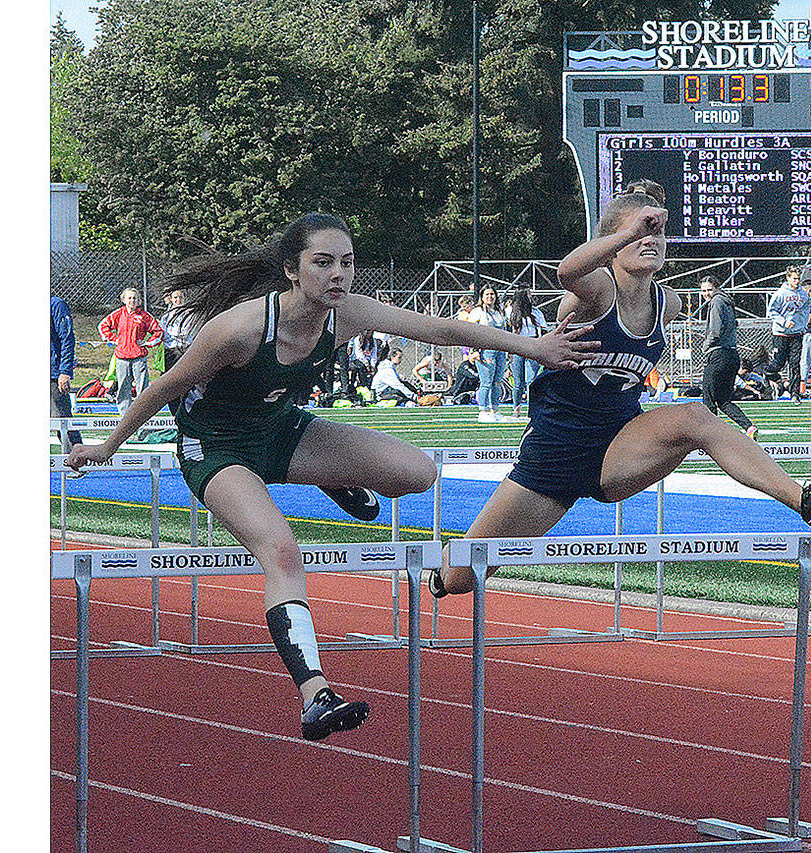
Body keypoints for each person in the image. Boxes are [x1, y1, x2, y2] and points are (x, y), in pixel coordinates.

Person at [66, 213, 596, 740]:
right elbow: (163, 389)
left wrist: (536, 348)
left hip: (283, 430)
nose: (338, 275)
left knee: (419, 472)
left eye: (346, 263)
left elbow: (441, 328)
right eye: (323, 263)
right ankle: (315, 692)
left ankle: (329, 475)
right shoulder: (241, 328)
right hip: (217, 446)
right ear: (291, 271)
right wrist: (106, 446)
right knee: (281, 551)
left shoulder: (348, 314)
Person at [430, 180, 811, 597]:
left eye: (657, 233)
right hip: (554, 453)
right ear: (613, 242)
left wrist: (643, 216)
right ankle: (446, 564)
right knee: (460, 579)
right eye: (638, 233)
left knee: (696, 417)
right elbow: (567, 271)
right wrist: (630, 230)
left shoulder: (667, 303)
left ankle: (805, 502)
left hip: (620, 443)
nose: (650, 239)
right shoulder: (595, 292)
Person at [697, 276, 757, 439]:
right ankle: (749, 427)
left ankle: (711, 435)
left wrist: (705, 346)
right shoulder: (727, 302)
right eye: (703, 291)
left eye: (709, 289)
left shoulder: (716, 302)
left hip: (719, 354)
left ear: (716, 288)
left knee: (708, 396)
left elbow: (715, 331)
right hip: (732, 355)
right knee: (723, 400)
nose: (706, 294)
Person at [98, 288, 163, 415]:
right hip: (122, 357)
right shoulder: (118, 314)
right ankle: (125, 416)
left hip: (139, 357)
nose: (132, 300)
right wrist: (115, 339)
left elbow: (158, 332)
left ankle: (142, 414)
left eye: (134, 298)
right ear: (124, 300)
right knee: (123, 387)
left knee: (142, 388)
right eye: (129, 298)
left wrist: (147, 343)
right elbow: (102, 326)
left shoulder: (144, 316)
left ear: (139, 300)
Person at [763, 265, 810, 401]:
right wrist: (783, 322)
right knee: (779, 362)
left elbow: (805, 309)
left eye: (798, 278)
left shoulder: (803, 294)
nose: (796, 281)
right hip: (781, 333)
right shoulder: (780, 293)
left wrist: (802, 324)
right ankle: (767, 373)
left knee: (795, 364)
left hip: (796, 334)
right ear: (788, 278)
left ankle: (795, 393)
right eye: (794, 278)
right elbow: (771, 311)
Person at [468, 286, 509, 422]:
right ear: (482, 297)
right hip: (485, 350)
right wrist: (473, 351)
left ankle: (495, 410)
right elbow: (471, 332)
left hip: (501, 349)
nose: (490, 297)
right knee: (486, 381)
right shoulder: (477, 311)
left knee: (497, 382)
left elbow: (506, 331)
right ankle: (483, 410)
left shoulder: (499, 311)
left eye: (492, 294)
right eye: (487, 294)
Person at [506, 288, 548, 419]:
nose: (531, 298)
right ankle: (516, 407)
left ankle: (532, 409)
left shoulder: (536, 312)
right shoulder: (511, 312)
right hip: (517, 346)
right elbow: (506, 329)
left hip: (532, 345)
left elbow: (543, 329)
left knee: (531, 380)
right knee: (518, 382)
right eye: (528, 296)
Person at [50, 295, 84, 457]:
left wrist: (64, 371)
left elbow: (67, 338)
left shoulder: (56, 305)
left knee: (61, 419)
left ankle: (78, 459)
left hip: (53, 373)